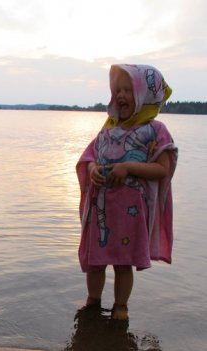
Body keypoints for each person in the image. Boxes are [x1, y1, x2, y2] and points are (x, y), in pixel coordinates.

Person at [76, 64, 178, 321]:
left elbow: (162, 169)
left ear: (145, 95)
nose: (120, 96)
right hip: (101, 208)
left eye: (128, 90)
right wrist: (93, 168)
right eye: (117, 90)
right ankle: (93, 300)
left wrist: (128, 167)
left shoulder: (155, 130)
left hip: (129, 213)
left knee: (123, 263)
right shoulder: (108, 128)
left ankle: (120, 305)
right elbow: (89, 157)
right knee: (96, 261)